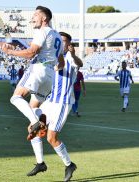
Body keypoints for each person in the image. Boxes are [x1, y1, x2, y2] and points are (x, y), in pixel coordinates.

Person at [1, 6, 65, 139]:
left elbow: (31, 53)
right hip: (50, 75)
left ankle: (37, 122)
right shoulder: (57, 36)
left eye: (36, 15)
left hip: (38, 69)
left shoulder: (43, 31)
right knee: (33, 107)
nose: (32, 18)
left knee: (16, 97)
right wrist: (49, 68)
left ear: (44, 18)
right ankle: (40, 119)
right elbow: (62, 63)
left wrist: (10, 52)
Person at [26, 32, 83, 182]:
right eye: (60, 41)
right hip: (50, 101)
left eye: (64, 41)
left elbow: (80, 64)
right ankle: (40, 163)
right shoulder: (53, 57)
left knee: (51, 138)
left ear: (69, 44)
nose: (61, 43)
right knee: (33, 127)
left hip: (62, 103)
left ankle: (69, 165)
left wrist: (73, 54)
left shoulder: (71, 57)